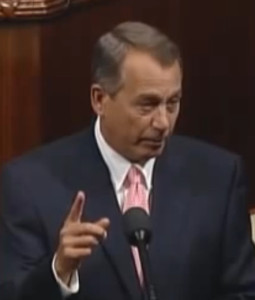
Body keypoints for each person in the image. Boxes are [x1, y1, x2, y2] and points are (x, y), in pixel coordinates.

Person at [0, 21, 255, 300]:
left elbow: (243, 290)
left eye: (172, 103)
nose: (163, 123)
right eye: (147, 104)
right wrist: (58, 271)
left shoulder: (219, 176)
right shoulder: (29, 185)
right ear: (100, 99)